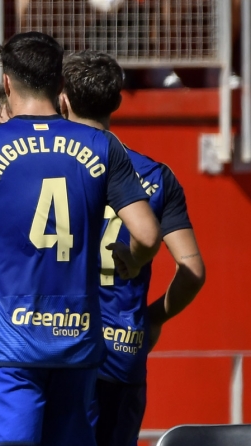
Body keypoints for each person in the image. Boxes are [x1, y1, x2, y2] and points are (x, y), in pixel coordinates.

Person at [0, 32, 162, 446]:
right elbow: (146, 233)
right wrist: (134, 258)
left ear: (9, 83)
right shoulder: (101, 145)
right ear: (61, 87)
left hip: (8, 347)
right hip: (77, 342)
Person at [58, 50, 206, 446]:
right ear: (118, 102)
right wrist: (152, 317)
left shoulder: (48, 167)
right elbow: (193, 270)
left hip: (53, 346)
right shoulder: (156, 175)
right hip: (121, 350)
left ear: (63, 99)